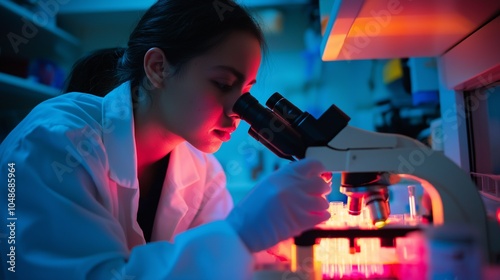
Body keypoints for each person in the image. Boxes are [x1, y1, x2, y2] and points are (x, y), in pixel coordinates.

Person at [0, 0, 331, 279]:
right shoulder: (52, 143)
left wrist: (264, 256)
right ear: (158, 68)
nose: (239, 112)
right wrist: (239, 234)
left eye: (246, 92)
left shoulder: (203, 173)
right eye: (222, 83)